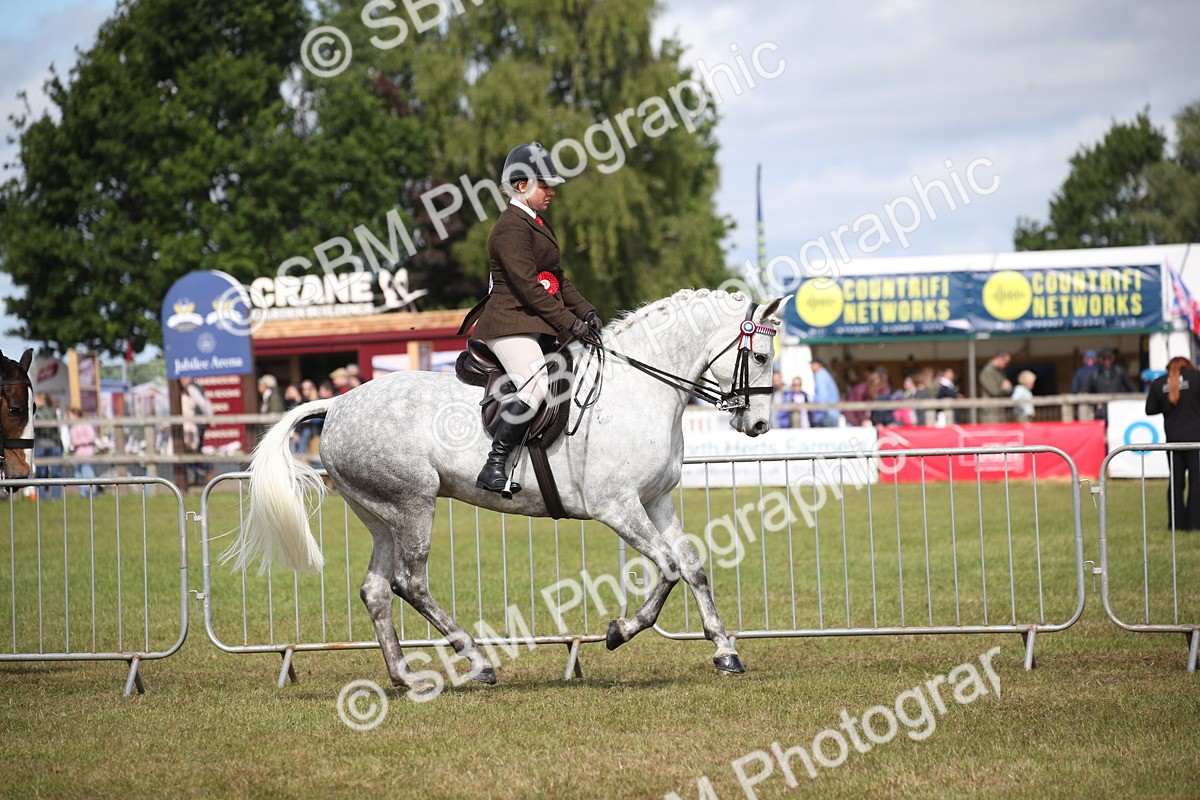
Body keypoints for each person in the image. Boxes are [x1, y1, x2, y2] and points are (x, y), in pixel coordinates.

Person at [457, 142, 601, 496]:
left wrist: (587, 312)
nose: (552, 191)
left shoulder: (536, 222)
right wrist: (570, 323)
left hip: (531, 323)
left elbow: (557, 279)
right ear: (522, 185)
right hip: (510, 323)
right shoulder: (510, 227)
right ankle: (494, 465)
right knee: (534, 384)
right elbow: (528, 288)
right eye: (545, 185)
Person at [1145, 356, 1200, 531]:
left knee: (1176, 482)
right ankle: (1195, 523)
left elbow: (1150, 409)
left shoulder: (1159, 383)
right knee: (1197, 481)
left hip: (1172, 440)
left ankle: (1176, 524)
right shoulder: (1196, 378)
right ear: (1188, 366)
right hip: (1196, 439)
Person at [1083, 348, 1137, 422]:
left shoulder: (1119, 372)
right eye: (1104, 358)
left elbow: (1132, 388)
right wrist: (1095, 402)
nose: (1107, 361)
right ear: (1100, 359)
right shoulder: (1094, 375)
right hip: (1101, 412)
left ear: (1113, 358)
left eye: (1109, 358)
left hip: (1118, 410)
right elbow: (1085, 391)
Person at [180, 377, 213, 486]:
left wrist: (208, 417)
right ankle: (200, 475)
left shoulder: (191, 387)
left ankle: (207, 470)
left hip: (196, 422)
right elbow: (206, 402)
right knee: (196, 449)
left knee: (195, 449)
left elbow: (202, 403)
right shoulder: (197, 386)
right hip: (198, 422)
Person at [32, 392, 64, 499]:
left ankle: (42, 498)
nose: (35, 401)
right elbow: (59, 429)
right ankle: (56, 497)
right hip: (55, 444)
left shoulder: (36, 413)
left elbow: (33, 428)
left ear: (42, 400)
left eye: (37, 399)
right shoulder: (55, 411)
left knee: (41, 473)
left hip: (40, 445)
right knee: (56, 473)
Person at [67, 407, 97, 497]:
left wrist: (78, 441)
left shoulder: (85, 423)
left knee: (87, 472)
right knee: (78, 473)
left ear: (75, 415)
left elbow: (91, 436)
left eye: (70, 415)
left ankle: (91, 492)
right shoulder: (72, 426)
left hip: (86, 452)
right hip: (77, 453)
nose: (69, 417)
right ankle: (83, 493)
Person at [978, 352, 1013, 423]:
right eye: (1005, 362)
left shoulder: (1000, 372)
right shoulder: (987, 371)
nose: (1006, 365)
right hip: (990, 411)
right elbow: (994, 391)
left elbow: (1009, 388)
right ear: (999, 358)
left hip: (1000, 409)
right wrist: (1004, 387)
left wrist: (1005, 387)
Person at [809, 359, 842, 427]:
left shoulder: (820, 375)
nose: (811, 367)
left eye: (812, 364)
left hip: (827, 413)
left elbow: (822, 397)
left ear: (818, 365)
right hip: (831, 412)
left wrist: (814, 409)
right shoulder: (824, 374)